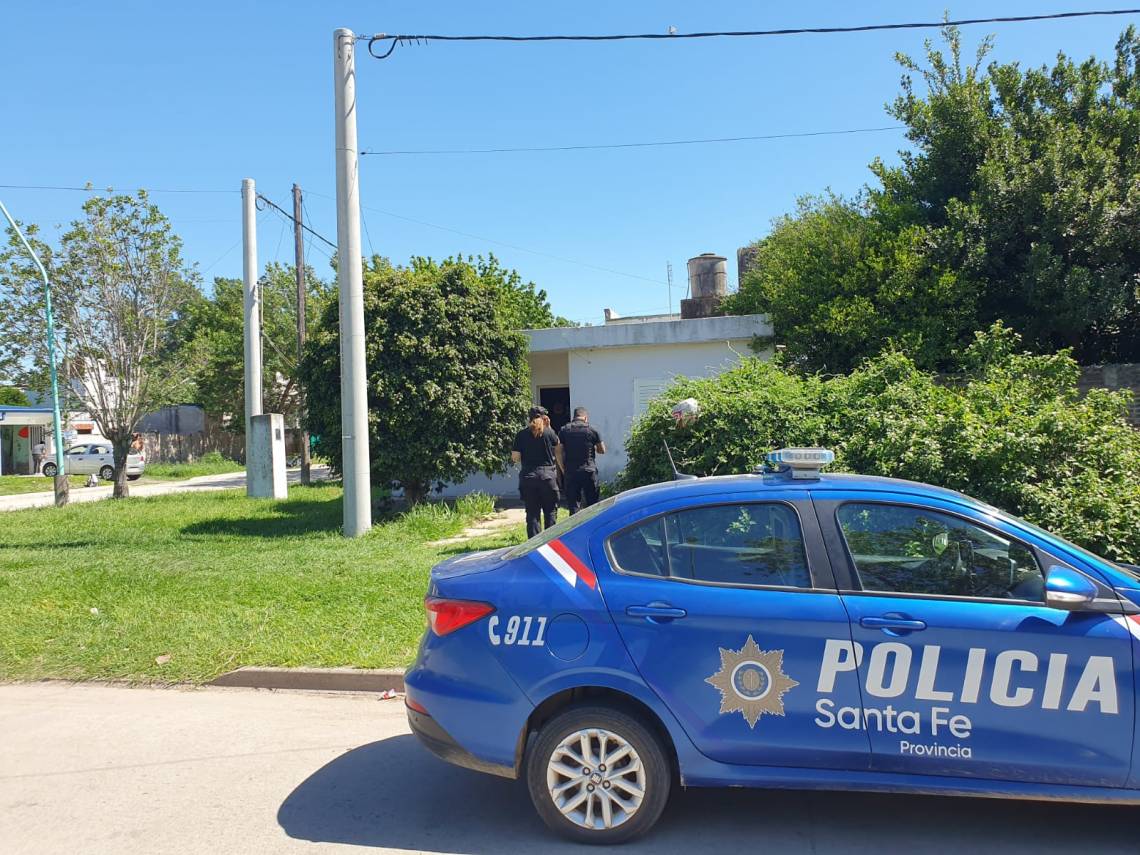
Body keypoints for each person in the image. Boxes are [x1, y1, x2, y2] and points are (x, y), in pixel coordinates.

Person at [512, 406, 563, 538]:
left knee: (532, 513)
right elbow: (558, 450)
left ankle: (534, 545)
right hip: (548, 477)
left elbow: (515, 458)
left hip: (529, 477)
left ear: (529, 419)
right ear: (545, 418)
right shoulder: (549, 433)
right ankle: (551, 542)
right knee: (550, 511)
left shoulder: (521, 435)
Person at [558, 407, 606, 513]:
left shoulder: (564, 430)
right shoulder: (592, 430)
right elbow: (602, 450)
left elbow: (558, 451)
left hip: (571, 471)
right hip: (589, 470)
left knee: (574, 506)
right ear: (585, 417)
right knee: (592, 504)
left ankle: (576, 528)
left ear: (574, 417)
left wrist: (563, 469)